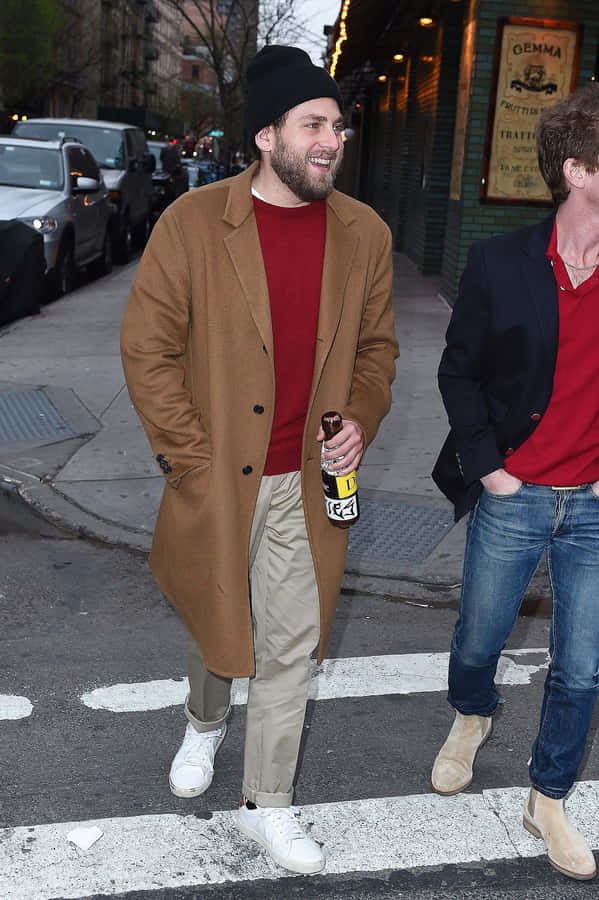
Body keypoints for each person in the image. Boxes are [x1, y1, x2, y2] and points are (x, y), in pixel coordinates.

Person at [120, 45, 398, 875]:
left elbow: (377, 353)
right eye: (312, 124)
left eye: (337, 127)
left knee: (292, 647)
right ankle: (203, 723)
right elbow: (148, 350)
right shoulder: (195, 223)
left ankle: (264, 806)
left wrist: (362, 419)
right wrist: (191, 460)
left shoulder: (366, 234)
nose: (330, 141)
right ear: (265, 135)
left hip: (308, 485)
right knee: (218, 625)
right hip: (219, 474)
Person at [431, 82, 599, 882]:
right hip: (516, 490)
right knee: (478, 636)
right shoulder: (499, 262)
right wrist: (489, 470)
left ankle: (550, 797)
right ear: (575, 169)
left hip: (594, 505)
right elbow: (457, 372)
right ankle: (472, 712)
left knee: (582, 666)